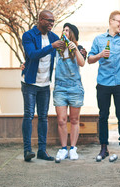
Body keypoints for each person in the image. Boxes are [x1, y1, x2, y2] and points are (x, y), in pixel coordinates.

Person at [88, 10, 120, 161]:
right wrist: (100, 55)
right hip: (103, 83)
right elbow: (89, 59)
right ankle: (104, 147)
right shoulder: (99, 39)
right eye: (119, 21)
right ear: (111, 21)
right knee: (103, 115)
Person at [21, 10, 65, 162]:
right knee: (28, 115)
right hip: (30, 83)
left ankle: (42, 150)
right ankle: (27, 150)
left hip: (45, 84)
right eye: (49, 20)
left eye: (53, 21)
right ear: (40, 20)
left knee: (43, 117)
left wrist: (80, 51)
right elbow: (32, 54)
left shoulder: (53, 37)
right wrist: (51, 46)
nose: (52, 23)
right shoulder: (28, 36)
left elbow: (63, 52)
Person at [54, 23, 86, 160]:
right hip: (60, 88)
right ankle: (63, 148)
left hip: (75, 88)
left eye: (67, 30)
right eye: (63, 30)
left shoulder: (79, 48)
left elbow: (82, 63)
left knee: (74, 119)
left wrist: (76, 49)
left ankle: (73, 148)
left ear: (72, 33)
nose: (64, 32)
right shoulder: (58, 49)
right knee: (61, 120)